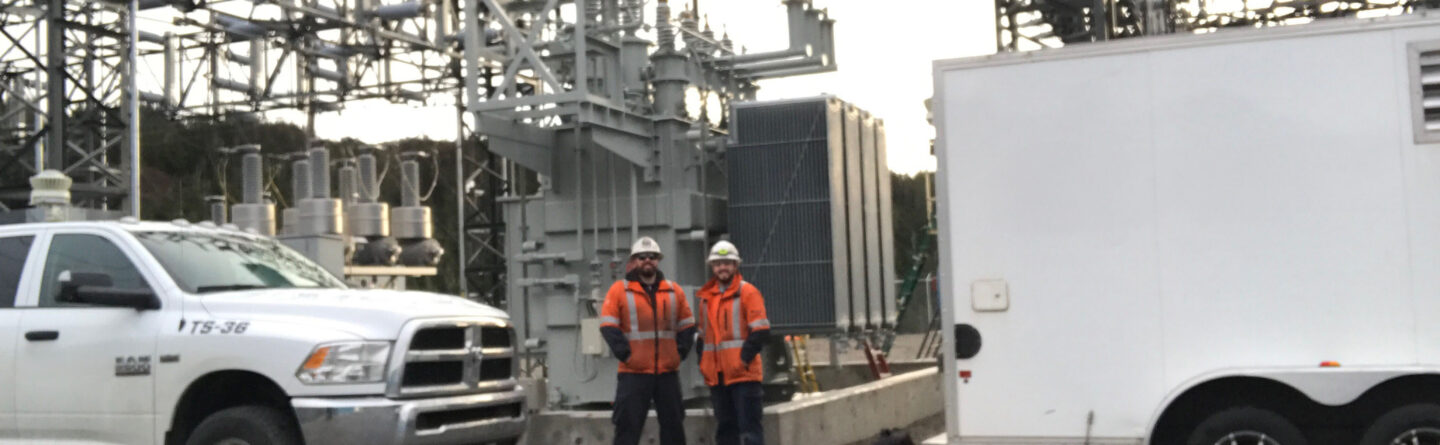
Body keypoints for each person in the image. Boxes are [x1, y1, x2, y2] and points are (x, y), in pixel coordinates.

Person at [599, 236, 697, 445]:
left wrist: (678, 354)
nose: (647, 261)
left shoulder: (673, 291)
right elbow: (608, 326)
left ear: (658, 260)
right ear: (634, 261)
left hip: (667, 375)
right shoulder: (619, 290)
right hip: (633, 374)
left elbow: (688, 325)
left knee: (674, 429)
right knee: (627, 429)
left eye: (652, 257)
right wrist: (627, 355)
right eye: (642, 257)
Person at [696, 240, 770, 445]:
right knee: (725, 431)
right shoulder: (706, 299)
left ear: (736, 265)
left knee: (750, 432)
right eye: (718, 263)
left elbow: (761, 331)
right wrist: (703, 364)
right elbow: (703, 337)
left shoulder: (748, 292)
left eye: (727, 263)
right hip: (717, 377)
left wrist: (742, 360)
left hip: (743, 377)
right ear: (712, 267)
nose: (722, 267)